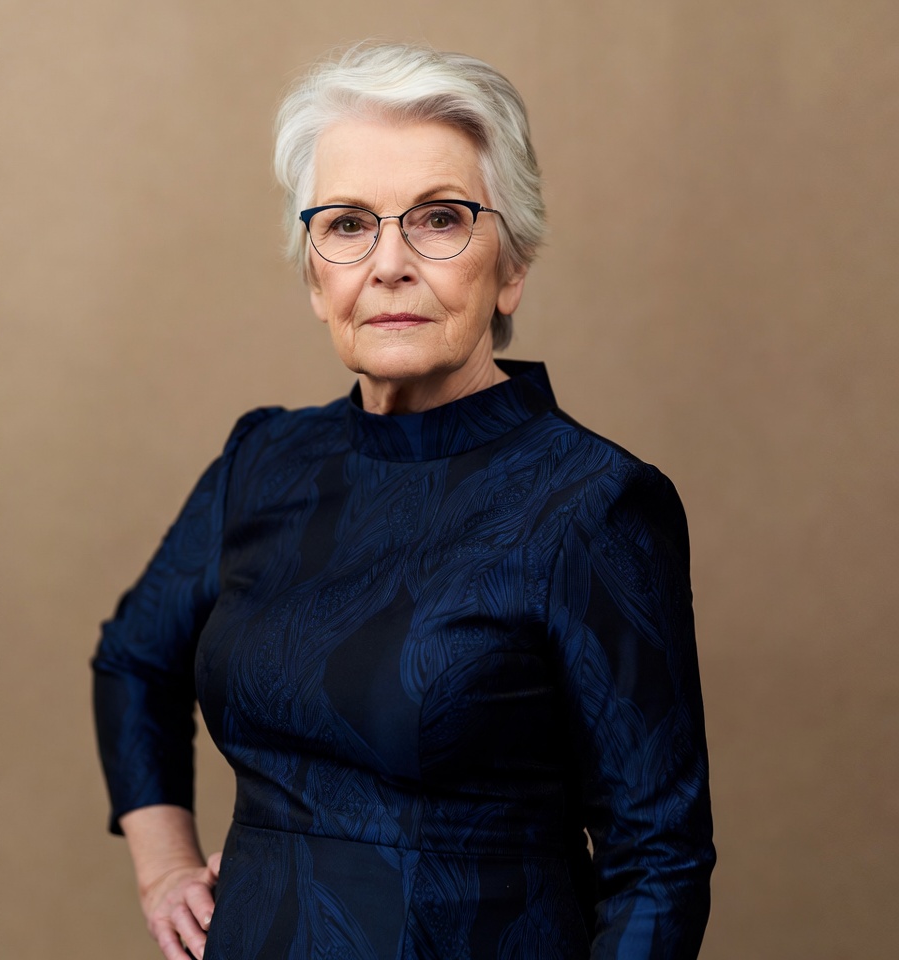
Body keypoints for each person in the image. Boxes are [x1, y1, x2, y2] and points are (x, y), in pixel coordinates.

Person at [92, 41, 715, 960]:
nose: (388, 263)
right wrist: (164, 868)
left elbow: (659, 864)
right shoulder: (264, 459)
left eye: (439, 218)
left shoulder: (592, 505)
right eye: (347, 224)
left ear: (511, 266)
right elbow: (134, 662)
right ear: (315, 275)